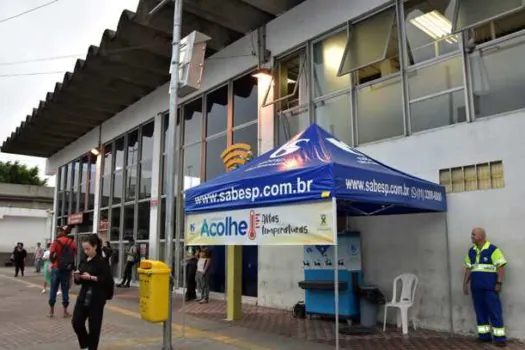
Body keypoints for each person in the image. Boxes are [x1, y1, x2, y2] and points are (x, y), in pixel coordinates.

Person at [463, 227, 507, 347]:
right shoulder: (471, 251)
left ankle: (499, 339)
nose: (471, 237)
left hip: (490, 289)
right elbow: (468, 269)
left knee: (495, 312)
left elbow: (501, 267)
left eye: (473, 235)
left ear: (481, 236)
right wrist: (465, 284)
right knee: (480, 312)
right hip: (476, 289)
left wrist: (499, 283)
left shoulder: (493, 250)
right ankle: (484, 336)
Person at [72, 234, 113, 350]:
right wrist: (77, 277)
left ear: (95, 247)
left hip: (97, 298)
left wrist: (91, 277)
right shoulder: (84, 260)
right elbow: (79, 280)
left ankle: (92, 348)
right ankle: (85, 345)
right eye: (84, 249)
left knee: (94, 328)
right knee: (77, 322)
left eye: (88, 248)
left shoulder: (102, 261)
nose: (86, 251)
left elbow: (107, 280)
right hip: (84, 296)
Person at [48, 226, 77, 318]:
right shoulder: (72, 242)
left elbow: (51, 256)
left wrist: (55, 261)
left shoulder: (55, 242)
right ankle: (65, 312)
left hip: (56, 268)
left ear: (62, 232)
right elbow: (74, 254)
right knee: (65, 290)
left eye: (59, 231)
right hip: (66, 270)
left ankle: (51, 312)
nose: (58, 232)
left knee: (53, 289)